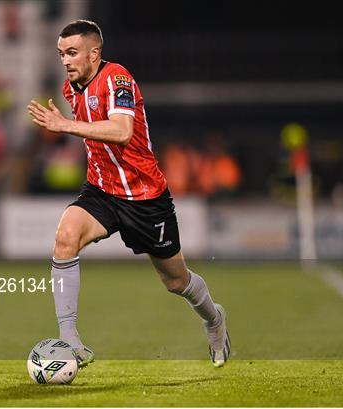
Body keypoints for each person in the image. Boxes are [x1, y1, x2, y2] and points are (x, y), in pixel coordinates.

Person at [27, 20, 230, 368]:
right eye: (61, 54)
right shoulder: (71, 86)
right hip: (101, 190)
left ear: (95, 53)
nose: (66, 61)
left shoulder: (118, 78)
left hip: (144, 196)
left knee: (176, 280)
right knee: (65, 237)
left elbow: (122, 132)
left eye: (72, 53)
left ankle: (214, 320)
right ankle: (69, 339)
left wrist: (64, 126)